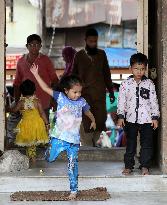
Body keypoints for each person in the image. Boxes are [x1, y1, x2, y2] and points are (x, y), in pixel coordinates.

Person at [30, 64, 96, 200]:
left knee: (73, 164)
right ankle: (48, 153)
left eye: (80, 92)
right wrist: (36, 74)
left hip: (73, 141)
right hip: (59, 137)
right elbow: (45, 88)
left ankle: (74, 190)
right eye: (75, 92)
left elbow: (88, 111)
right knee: (50, 159)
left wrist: (93, 120)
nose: (78, 95)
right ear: (66, 91)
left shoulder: (82, 101)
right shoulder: (60, 97)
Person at [117, 53, 160, 175]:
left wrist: (155, 117)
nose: (139, 72)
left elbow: (154, 101)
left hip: (146, 120)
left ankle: (145, 166)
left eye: (142, 69)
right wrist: (121, 116)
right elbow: (121, 101)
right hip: (130, 119)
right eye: (136, 68)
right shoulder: (125, 84)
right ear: (131, 68)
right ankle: (128, 166)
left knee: (146, 144)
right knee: (130, 143)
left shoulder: (149, 84)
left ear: (145, 68)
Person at [72, 28, 115, 147]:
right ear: (85, 40)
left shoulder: (102, 54)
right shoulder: (79, 56)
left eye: (95, 41)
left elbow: (107, 74)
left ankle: (93, 146)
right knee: (86, 124)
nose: (93, 44)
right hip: (84, 96)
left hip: (99, 96)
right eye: (90, 41)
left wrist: (111, 91)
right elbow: (73, 77)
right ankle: (87, 149)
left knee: (100, 122)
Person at [13, 34, 59, 118]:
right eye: (31, 44)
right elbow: (17, 84)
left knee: (44, 127)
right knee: (28, 127)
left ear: (40, 46)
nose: (34, 47)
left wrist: (54, 100)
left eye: (37, 45)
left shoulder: (46, 60)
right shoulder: (21, 61)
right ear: (27, 46)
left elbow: (55, 81)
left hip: (44, 102)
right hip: (27, 103)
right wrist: (17, 102)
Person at [9, 80, 49, 163]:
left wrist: (7, 108)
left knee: (29, 143)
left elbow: (14, 110)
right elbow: (42, 113)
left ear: (21, 92)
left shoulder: (21, 102)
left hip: (26, 125)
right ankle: (31, 157)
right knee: (32, 143)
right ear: (34, 91)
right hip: (37, 124)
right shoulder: (37, 101)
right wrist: (47, 123)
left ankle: (32, 158)